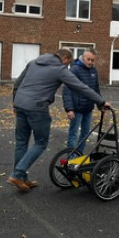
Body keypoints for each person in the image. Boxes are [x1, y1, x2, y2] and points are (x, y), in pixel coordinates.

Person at [8, 49, 108, 192]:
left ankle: (21, 178)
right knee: (41, 142)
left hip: (20, 104)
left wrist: (14, 104)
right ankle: (17, 174)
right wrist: (100, 102)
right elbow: (80, 87)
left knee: (22, 142)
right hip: (37, 107)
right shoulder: (59, 69)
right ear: (66, 59)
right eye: (68, 63)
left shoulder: (33, 63)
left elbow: (17, 84)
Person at [63, 49, 101, 154]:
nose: (90, 62)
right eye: (88, 59)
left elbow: (96, 89)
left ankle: (78, 155)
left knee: (85, 133)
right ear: (83, 57)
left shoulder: (94, 71)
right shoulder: (74, 70)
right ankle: (71, 158)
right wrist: (69, 109)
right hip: (76, 109)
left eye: (92, 60)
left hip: (88, 108)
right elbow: (67, 90)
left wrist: (100, 104)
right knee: (74, 133)